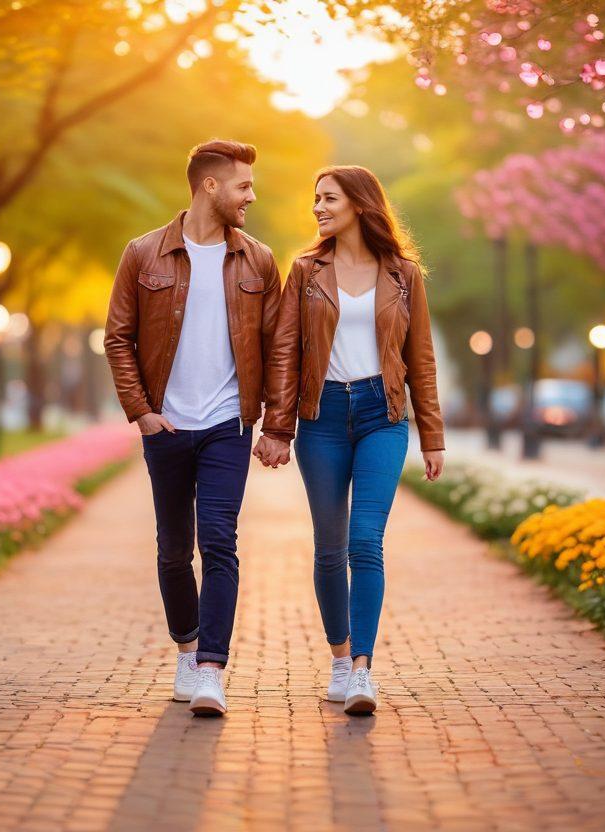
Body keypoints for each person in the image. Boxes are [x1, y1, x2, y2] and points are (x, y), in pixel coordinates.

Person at [255, 165, 445, 715]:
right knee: (329, 545)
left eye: (328, 198)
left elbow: (421, 360)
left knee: (366, 540)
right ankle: (338, 659)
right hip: (322, 416)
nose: (317, 207)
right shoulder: (306, 270)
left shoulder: (404, 275)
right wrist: (278, 427)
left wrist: (431, 435)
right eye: (315, 198)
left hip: (381, 415)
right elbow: (285, 351)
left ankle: (362, 669)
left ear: (360, 204)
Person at [103, 139, 281, 717]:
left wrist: (275, 423)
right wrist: (142, 412)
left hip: (228, 423)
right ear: (211, 185)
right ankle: (185, 646)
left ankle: (210, 668)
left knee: (220, 541)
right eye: (243, 186)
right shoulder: (143, 253)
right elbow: (118, 337)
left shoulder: (258, 260)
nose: (251, 196)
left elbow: (279, 346)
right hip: (168, 427)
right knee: (174, 549)